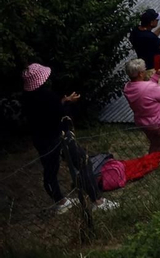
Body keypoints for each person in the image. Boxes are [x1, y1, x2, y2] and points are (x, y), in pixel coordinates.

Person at [20, 63, 115, 213]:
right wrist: (69, 104)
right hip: (59, 136)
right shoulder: (47, 95)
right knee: (83, 162)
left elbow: (45, 113)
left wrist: (63, 101)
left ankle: (60, 202)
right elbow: (59, 114)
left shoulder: (27, 97)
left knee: (50, 171)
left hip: (41, 139)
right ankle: (97, 201)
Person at [122, 57, 160, 158]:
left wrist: (157, 75)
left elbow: (146, 89)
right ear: (140, 73)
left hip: (146, 125)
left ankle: (152, 166)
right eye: (144, 70)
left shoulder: (128, 88)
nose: (145, 72)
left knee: (155, 146)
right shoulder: (148, 88)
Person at [129, 8, 160, 73]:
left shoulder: (136, 31)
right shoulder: (148, 36)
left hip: (146, 66)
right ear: (151, 22)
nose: (158, 21)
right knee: (157, 83)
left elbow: (151, 39)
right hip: (153, 68)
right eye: (157, 20)